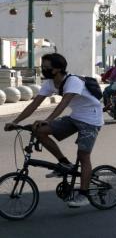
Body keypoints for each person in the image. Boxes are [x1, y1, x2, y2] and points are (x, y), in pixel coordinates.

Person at [4, 53, 103, 207]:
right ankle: (64, 163)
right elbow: (33, 104)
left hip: (91, 120)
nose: (43, 70)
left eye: (46, 68)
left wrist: (47, 119)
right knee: (40, 131)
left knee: (83, 156)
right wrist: (15, 121)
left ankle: (83, 194)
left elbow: (64, 103)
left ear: (58, 69)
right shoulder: (50, 83)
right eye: (42, 67)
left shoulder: (73, 81)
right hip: (75, 117)